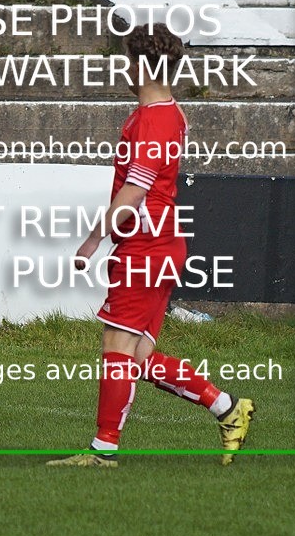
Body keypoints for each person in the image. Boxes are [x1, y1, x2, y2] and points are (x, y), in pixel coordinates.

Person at [47, 23, 254, 468]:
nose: (125, 68)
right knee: (138, 356)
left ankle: (103, 450)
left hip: (147, 245)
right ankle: (228, 408)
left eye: (128, 61)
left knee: (117, 347)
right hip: (159, 244)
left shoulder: (153, 120)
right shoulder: (168, 113)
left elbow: (136, 190)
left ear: (140, 66)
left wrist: (94, 238)